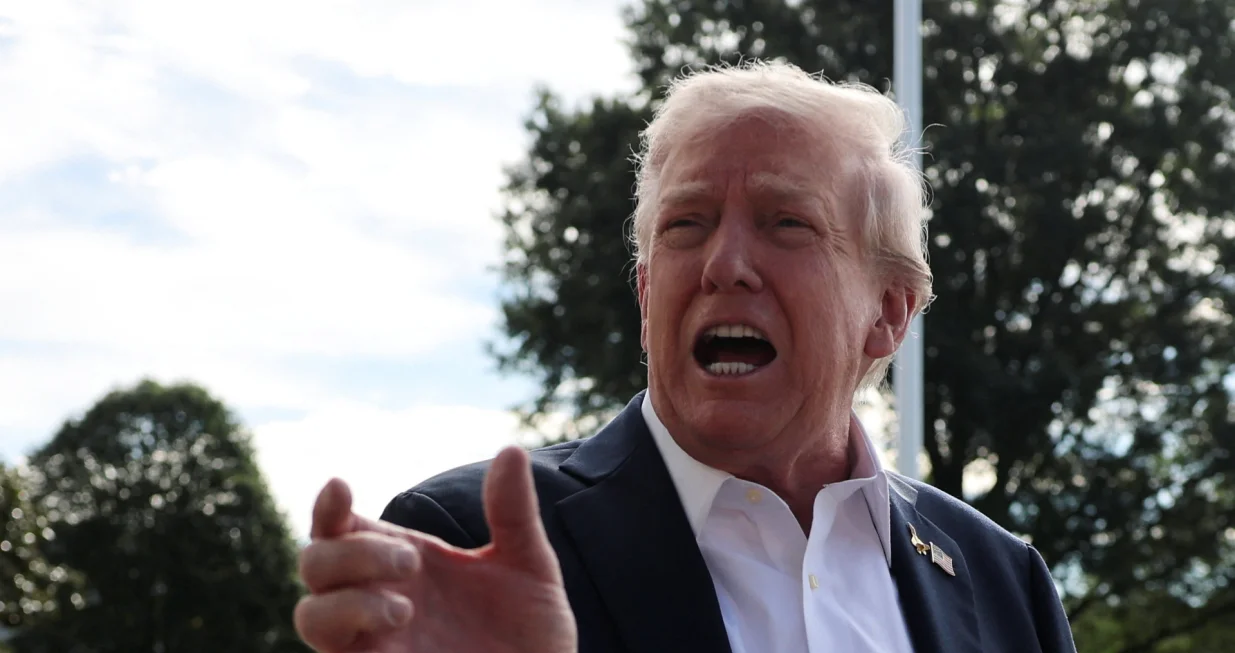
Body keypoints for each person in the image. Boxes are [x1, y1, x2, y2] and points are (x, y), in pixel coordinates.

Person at [293, 61, 1078, 653]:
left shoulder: (1002, 581)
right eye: (686, 225)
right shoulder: (464, 539)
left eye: (785, 222)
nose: (723, 263)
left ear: (887, 312)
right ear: (644, 296)